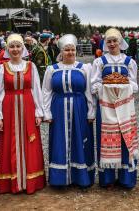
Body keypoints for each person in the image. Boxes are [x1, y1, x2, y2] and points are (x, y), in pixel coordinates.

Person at [0, 34, 46, 194]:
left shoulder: (31, 66)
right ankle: (13, 181)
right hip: (9, 108)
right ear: (7, 49)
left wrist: (39, 111)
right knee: (11, 141)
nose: (15, 49)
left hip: (28, 107)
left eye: (18, 46)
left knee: (29, 141)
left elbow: (36, 89)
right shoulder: (2, 68)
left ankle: (31, 180)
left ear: (23, 48)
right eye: (12, 46)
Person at [42, 34, 96, 189]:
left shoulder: (84, 68)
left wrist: (91, 111)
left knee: (80, 140)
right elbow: (46, 91)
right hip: (58, 108)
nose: (70, 52)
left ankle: (80, 177)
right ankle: (60, 178)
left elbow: (89, 91)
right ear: (61, 52)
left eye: (72, 49)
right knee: (59, 140)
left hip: (79, 108)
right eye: (67, 50)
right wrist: (47, 112)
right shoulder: (52, 69)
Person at [91, 28, 139, 189]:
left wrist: (122, 86)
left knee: (126, 140)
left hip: (125, 106)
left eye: (114, 41)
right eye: (109, 41)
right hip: (106, 108)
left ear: (120, 42)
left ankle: (126, 178)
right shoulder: (99, 62)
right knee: (107, 140)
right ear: (105, 43)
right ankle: (107, 178)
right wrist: (107, 88)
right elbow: (94, 85)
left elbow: (135, 85)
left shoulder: (129, 62)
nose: (112, 44)